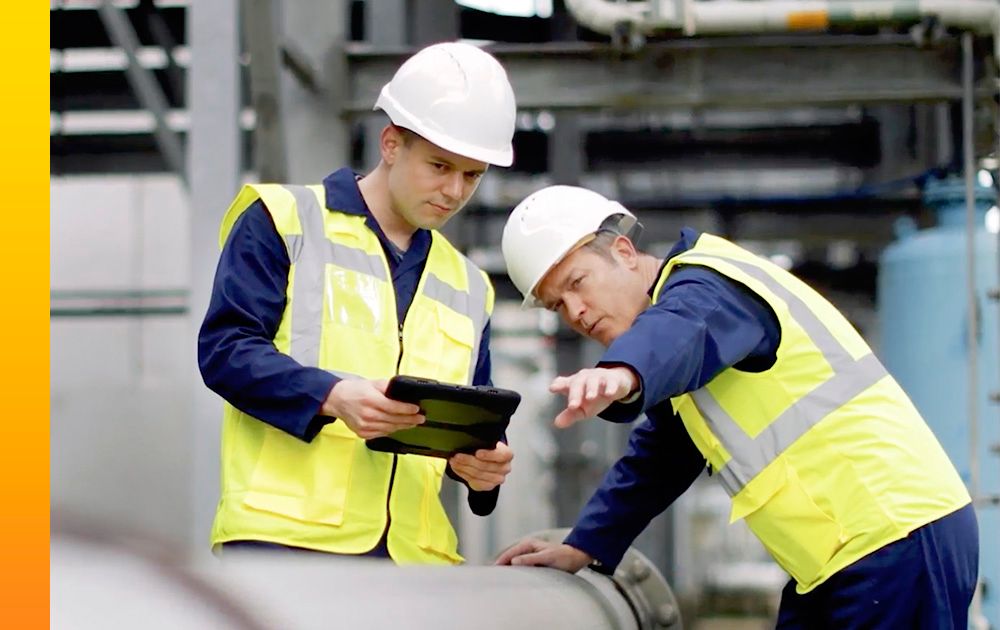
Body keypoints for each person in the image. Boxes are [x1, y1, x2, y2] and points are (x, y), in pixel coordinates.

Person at [495, 185, 979, 628]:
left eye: (578, 282)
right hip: (840, 558)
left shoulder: (710, 285)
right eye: (558, 304)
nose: (575, 311)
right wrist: (585, 544)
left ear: (623, 251)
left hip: (895, 536)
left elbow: (683, 327)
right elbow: (661, 455)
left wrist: (623, 372)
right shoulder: (690, 355)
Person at [198, 42, 517, 564]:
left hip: (415, 563)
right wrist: (332, 395)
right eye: (440, 166)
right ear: (391, 144)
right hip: (288, 546)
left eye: (472, 175)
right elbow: (225, 351)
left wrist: (482, 472)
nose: (455, 190)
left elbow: (474, 425)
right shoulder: (283, 219)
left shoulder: (468, 284)